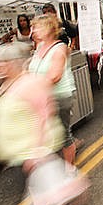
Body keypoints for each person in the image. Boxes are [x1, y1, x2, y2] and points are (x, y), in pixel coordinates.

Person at [0, 42, 89, 205]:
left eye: (2, 62)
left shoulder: (30, 83)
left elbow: (45, 115)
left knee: (39, 176)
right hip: (21, 146)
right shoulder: (11, 82)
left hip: (32, 144)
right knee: (35, 179)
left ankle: (66, 193)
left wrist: (37, 149)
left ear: (14, 63)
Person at [29, 14, 78, 166]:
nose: (34, 30)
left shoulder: (59, 48)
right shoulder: (39, 48)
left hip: (60, 97)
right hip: (42, 98)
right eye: (33, 27)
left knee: (63, 135)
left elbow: (55, 76)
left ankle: (70, 169)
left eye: (38, 27)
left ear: (50, 29)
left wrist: (30, 88)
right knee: (45, 134)